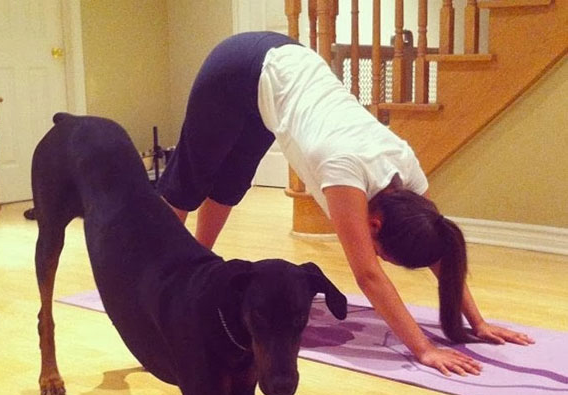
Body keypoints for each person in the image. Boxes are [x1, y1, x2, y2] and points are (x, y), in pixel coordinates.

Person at [157, 31, 534, 376]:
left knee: (231, 181)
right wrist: (424, 349)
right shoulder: (343, 169)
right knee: (188, 182)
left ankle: (198, 268)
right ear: (375, 226)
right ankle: (162, 278)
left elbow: (441, 249)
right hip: (237, 66)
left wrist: (477, 323)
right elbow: (368, 275)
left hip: (278, 75)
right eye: (386, 254)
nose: (382, 258)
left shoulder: (405, 168)